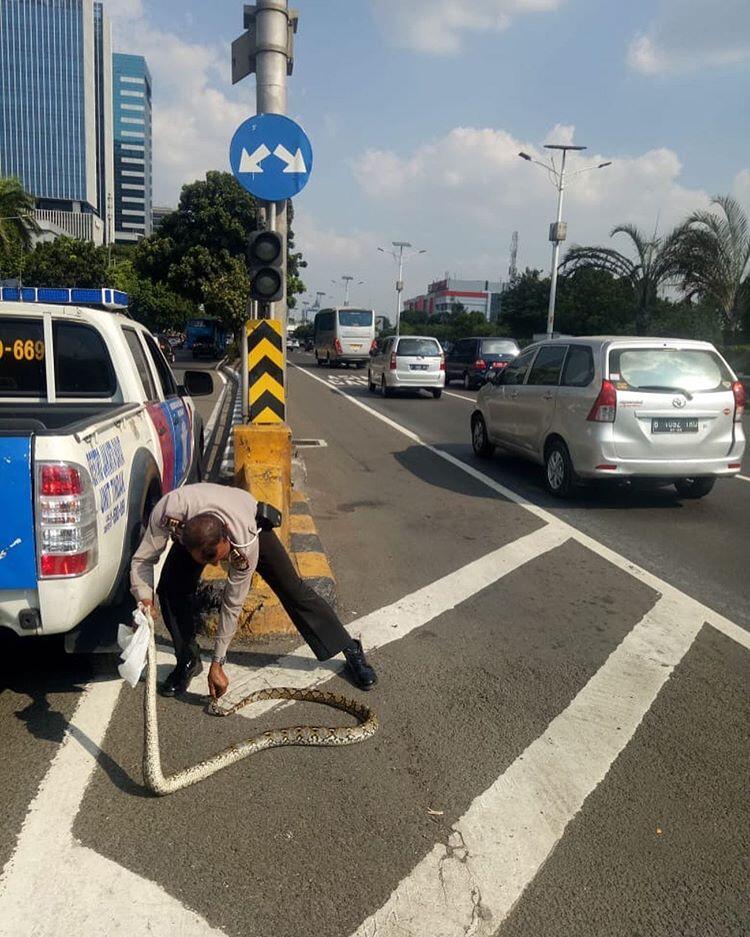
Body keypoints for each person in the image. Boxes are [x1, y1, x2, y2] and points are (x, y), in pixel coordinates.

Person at [130, 482, 377, 699]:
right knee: (171, 590)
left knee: (293, 590)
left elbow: (232, 603)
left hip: (248, 520)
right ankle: (187, 659)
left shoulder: (244, 540)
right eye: (208, 561)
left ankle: (349, 647)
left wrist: (218, 662)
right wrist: (144, 599)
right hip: (198, 528)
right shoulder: (168, 511)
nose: (216, 566)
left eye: (219, 558)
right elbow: (142, 559)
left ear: (226, 539)